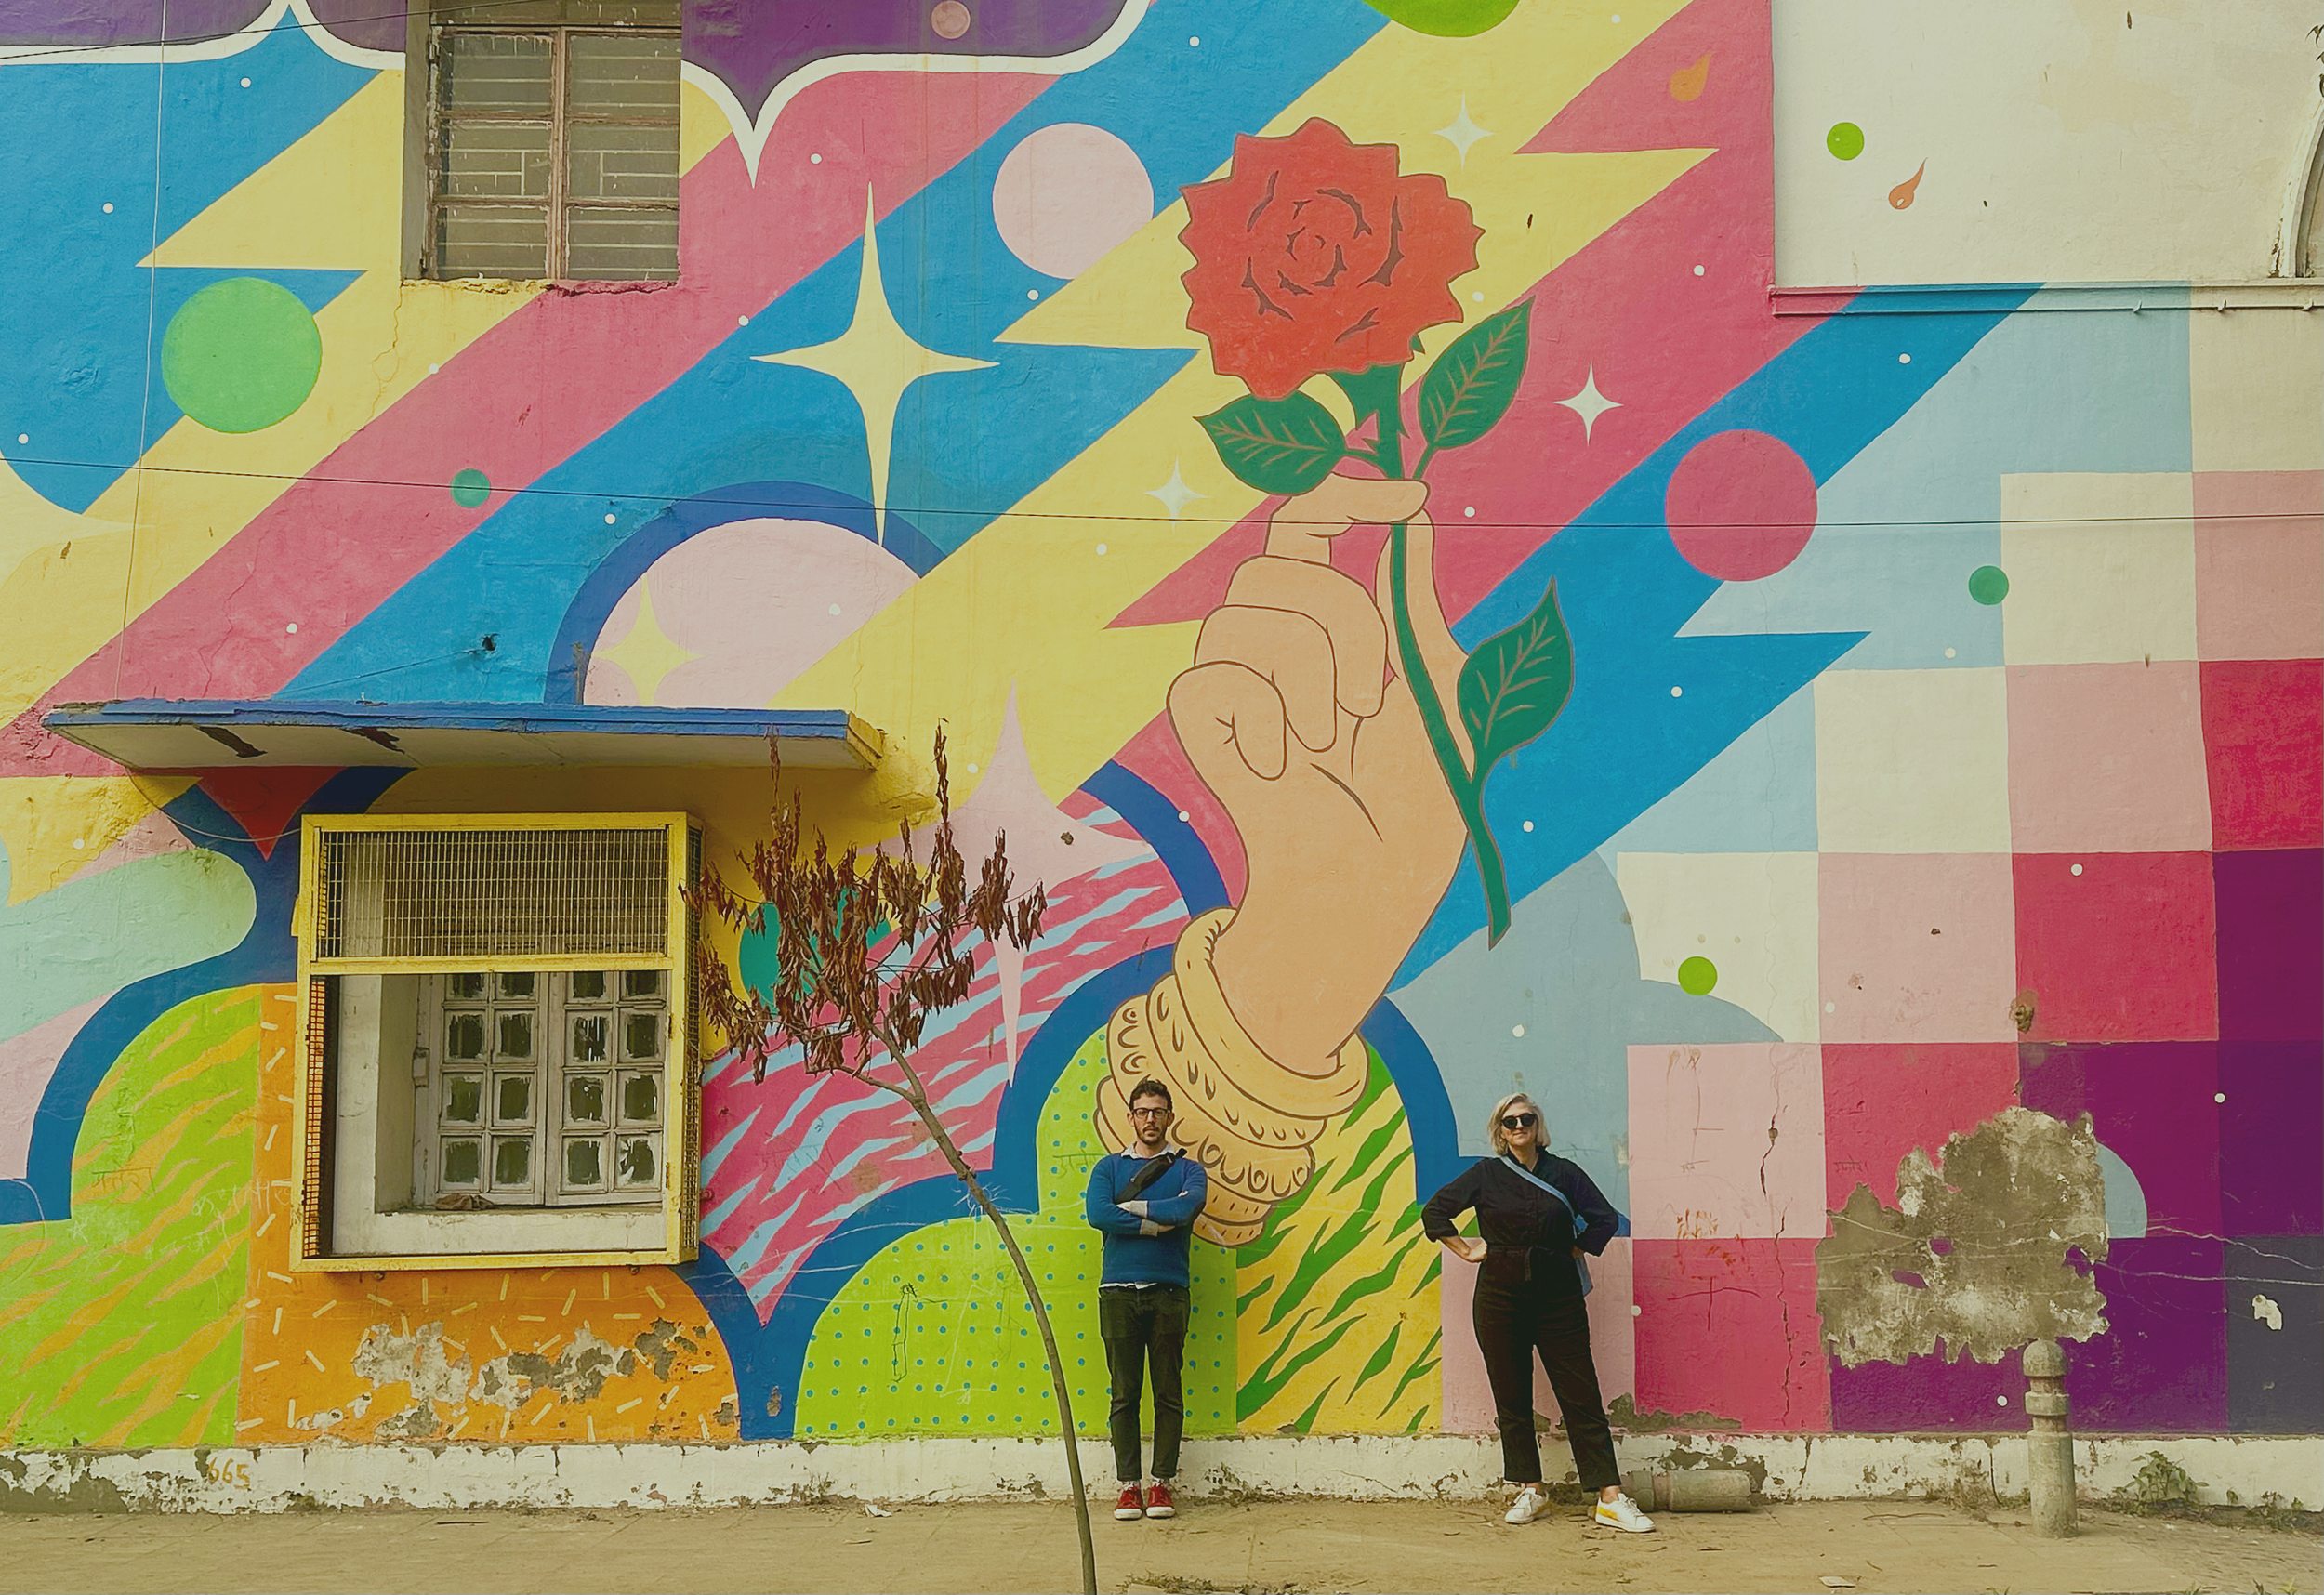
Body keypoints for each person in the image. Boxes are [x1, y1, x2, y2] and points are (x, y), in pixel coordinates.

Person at [1421, 1092, 1656, 1533]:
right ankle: (1532, 1489)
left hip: (1558, 1299)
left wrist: (1571, 1248)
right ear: (1499, 1130)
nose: (1519, 1127)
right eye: (1509, 1121)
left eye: (1526, 1119)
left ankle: (1609, 1496)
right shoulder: (1485, 1174)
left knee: (1580, 1393)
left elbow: (1603, 1219)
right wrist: (1467, 1251)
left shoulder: (1564, 1173)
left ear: (1537, 1125)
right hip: (1498, 1298)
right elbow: (1435, 1213)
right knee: (1512, 1397)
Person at [1084, 1076, 1209, 1522]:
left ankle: (1161, 1484)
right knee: (1124, 1393)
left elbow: (1186, 1209)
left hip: (1169, 1291)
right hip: (1118, 1292)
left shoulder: (1189, 1170)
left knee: (1168, 1391)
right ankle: (1128, 1487)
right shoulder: (1108, 1168)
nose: (1150, 1119)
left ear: (1169, 1117)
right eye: (1142, 1111)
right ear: (1131, 1117)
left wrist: (1130, 1211)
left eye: (1158, 1111)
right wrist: (1157, 1221)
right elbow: (1097, 1213)